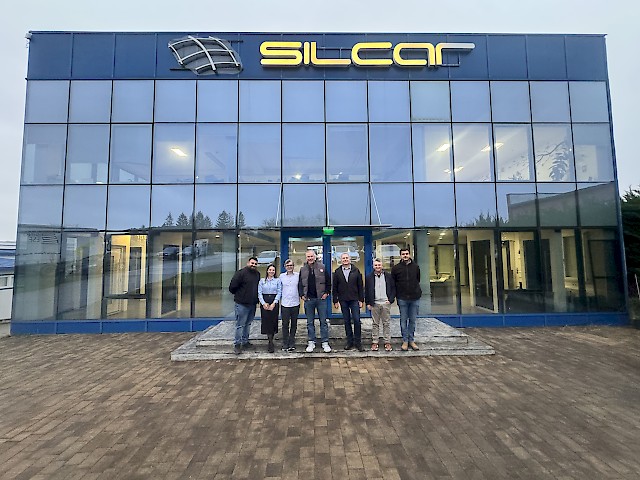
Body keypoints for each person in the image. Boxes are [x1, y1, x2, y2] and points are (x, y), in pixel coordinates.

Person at [298, 249, 332, 353]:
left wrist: (326, 293)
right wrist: (302, 295)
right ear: (306, 258)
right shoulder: (303, 269)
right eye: (308, 257)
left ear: (315, 256)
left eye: (311, 256)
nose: (310, 258)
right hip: (308, 300)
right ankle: (311, 342)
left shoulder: (322, 267)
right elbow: (300, 284)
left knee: (323, 322)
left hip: (321, 299)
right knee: (310, 322)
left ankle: (325, 342)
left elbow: (328, 281)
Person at [332, 252, 365, 351]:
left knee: (357, 320)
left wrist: (361, 300)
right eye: (343, 258)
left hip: (354, 299)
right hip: (343, 300)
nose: (345, 260)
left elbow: (360, 286)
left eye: (347, 258)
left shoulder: (356, 270)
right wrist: (335, 300)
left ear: (350, 259)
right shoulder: (337, 272)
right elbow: (335, 287)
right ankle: (349, 342)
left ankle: (358, 342)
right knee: (346, 321)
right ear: (341, 260)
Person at [391, 248, 422, 351]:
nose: (405, 255)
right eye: (403, 254)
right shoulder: (396, 268)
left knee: (412, 320)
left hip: (414, 297)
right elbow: (393, 283)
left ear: (410, 255)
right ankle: (405, 340)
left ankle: (411, 340)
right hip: (402, 298)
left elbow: (418, 279)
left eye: (407, 254)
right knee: (403, 320)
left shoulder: (415, 267)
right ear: (400, 256)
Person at [229, 257, 261, 355]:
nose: (253, 265)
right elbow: (232, 287)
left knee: (248, 324)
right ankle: (237, 344)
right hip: (241, 304)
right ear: (248, 263)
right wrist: (240, 296)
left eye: (255, 264)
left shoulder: (257, 274)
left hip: (252, 304)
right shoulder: (240, 273)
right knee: (240, 325)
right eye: (252, 263)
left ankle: (245, 342)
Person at [365, 258, 396, 352]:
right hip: (375, 303)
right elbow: (366, 291)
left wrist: (390, 300)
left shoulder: (388, 276)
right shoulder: (369, 277)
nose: (377, 267)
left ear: (382, 266)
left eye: (379, 265)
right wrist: (368, 303)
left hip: (385, 303)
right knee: (375, 324)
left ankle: (387, 342)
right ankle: (375, 342)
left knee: (386, 323)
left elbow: (393, 288)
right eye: (376, 265)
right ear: (373, 266)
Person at [258, 264, 282, 353]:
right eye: (270, 270)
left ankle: (271, 340)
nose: (271, 271)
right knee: (266, 320)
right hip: (265, 300)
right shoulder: (262, 281)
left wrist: (274, 303)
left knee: (273, 320)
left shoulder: (277, 281)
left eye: (273, 270)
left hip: (274, 301)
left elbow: (279, 292)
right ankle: (269, 340)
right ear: (267, 271)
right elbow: (259, 293)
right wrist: (263, 303)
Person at [280, 258, 300, 352]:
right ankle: (285, 342)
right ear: (285, 267)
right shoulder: (281, 276)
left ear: (293, 266)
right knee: (285, 324)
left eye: (291, 265)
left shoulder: (298, 276)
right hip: (285, 304)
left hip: (295, 303)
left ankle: (292, 342)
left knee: (294, 324)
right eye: (288, 265)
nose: (289, 267)